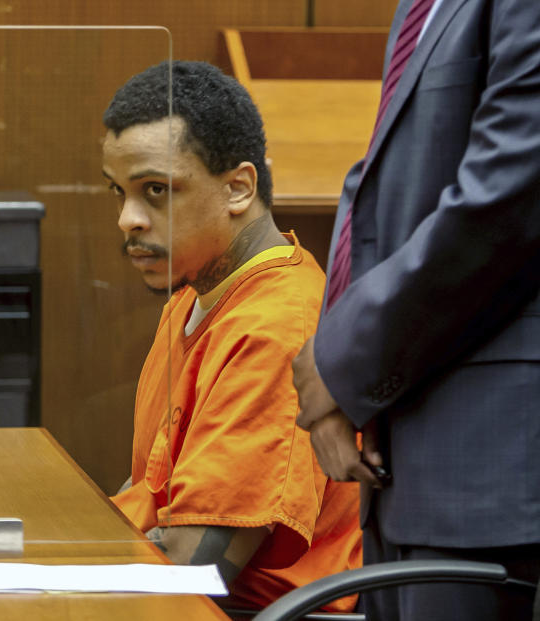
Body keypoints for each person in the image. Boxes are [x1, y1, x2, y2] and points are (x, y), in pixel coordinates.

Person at [291, 0, 540, 619]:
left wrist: (341, 367)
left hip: (502, 473)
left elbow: (502, 212)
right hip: (407, 461)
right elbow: (380, 191)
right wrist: (340, 374)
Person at [102, 61, 362, 613]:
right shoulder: (192, 298)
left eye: (155, 190)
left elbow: (191, 570)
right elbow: (150, 502)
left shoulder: (277, 326)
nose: (127, 219)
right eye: (118, 192)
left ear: (239, 188)